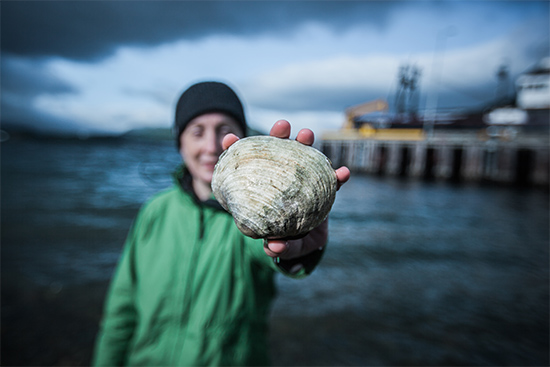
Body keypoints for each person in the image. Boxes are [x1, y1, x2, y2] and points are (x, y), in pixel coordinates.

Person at [92, 81, 350, 366]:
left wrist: (297, 246)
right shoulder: (155, 212)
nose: (211, 146)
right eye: (197, 132)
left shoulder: (242, 227)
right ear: (180, 143)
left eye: (224, 130)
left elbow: (268, 252)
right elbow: (122, 308)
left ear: (240, 139)